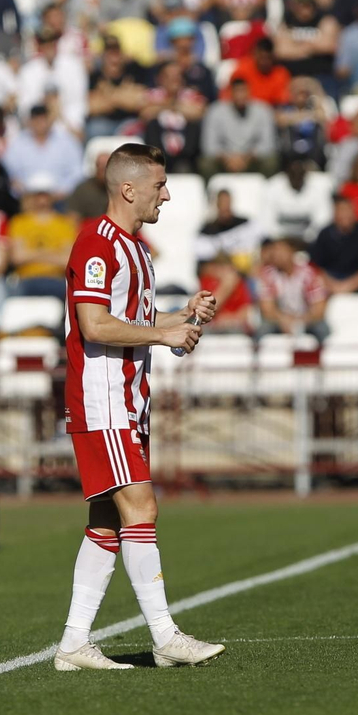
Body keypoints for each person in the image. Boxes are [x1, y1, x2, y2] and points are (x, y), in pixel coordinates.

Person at [54, 142, 223, 671]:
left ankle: (74, 644)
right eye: (159, 185)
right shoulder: (96, 244)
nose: (166, 195)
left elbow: (133, 318)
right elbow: (95, 325)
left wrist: (181, 314)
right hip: (104, 400)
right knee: (141, 509)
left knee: (106, 522)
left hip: (127, 399)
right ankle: (165, 635)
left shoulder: (135, 248)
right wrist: (164, 332)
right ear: (128, 188)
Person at [8, 175, 77, 298]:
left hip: (56, 280)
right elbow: (17, 258)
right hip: (26, 279)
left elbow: (67, 261)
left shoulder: (65, 224)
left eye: (45, 194)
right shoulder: (19, 222)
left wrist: (32, 254)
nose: (41, 199)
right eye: (38, 194)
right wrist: (52, 253)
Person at [200, 76, 277, 178]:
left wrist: (246, 158)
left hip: (253, 161)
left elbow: (268, 144)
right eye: (237, 91)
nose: (240, 95)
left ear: (249, 92)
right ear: (230, 93)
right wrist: (227, 158)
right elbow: (209, 146)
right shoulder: (215, 111)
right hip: (224, 161)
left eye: (243, 91)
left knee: (271, 161)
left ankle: (267, 191)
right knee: (205, 163)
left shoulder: (263, 110)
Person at [310, 195, 358, 297]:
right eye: (341, 210)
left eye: (348, 210)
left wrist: (346, 287)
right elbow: (316, 268)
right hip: (331, 278)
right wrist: (333, 286)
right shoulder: (325, 234)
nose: (345, 214)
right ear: (334, 213)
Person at [256, 235, 329, 339]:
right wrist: (284, 319)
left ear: (291, 252)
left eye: (281, 251)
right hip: (279, 320)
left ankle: (326, 355)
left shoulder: (309, 273)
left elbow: (319, 308)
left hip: (307, 318)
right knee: (263, 330)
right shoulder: (268, 275)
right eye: (275, 252)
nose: (277, 255)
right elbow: (267, 309)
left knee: (322, 329)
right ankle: (256, 355)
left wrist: (301, 321)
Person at [6, 105, 83, 198]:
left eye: (43, 120)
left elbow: (77, 172)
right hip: (26, 199)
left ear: (49, 120)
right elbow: (9, 172)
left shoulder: (66, 141)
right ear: (30, 121)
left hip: (60, 198)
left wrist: (63, 191)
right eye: (36, 120)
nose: (40, 124)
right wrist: (21, 190)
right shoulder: (18, 142)